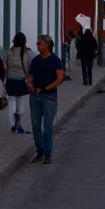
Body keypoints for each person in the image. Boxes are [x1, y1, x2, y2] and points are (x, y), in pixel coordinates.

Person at [26, 34, 65, 164]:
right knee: (36, 125)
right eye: (37, 44)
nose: (37, 46)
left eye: (39, 44)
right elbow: (31, 74)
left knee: (47, 126)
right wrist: (30, 83)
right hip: (35, 95)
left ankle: (48, 153)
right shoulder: (36, 60)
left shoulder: (55, 60)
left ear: (47, 45)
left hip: (49, 97)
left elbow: (60, 77)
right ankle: (39, 151)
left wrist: (49, 87)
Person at [3, 32, 36, 134]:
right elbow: (33, 66)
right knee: (20, 103)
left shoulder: (9, 52)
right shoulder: (28, 53)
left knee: (11, 101)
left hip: (10, 80)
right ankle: (18, 124)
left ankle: (12, 124)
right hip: (22, 81)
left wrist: (5, 78)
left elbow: (4, 65)